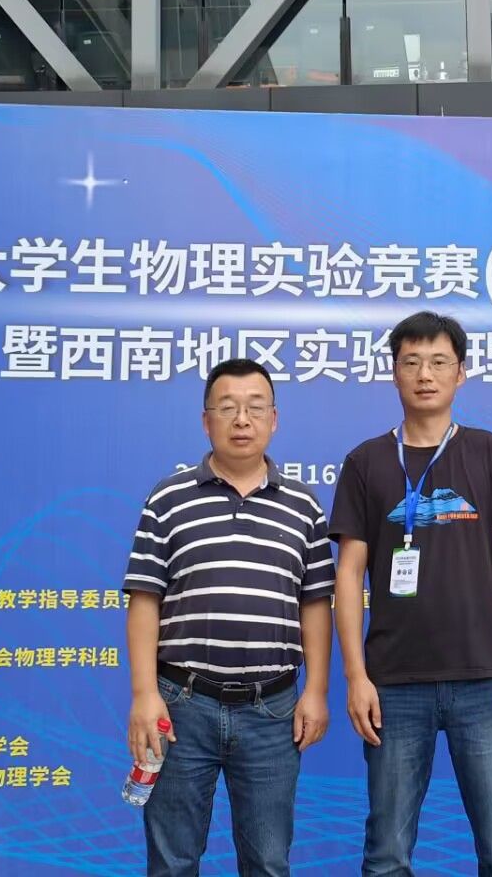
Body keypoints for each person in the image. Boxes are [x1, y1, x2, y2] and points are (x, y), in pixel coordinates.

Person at [331, 311, 492, 877]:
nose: (425, 374)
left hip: (483, 680)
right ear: (394, 372)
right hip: (393, 685)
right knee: (386, 857)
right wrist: (355, 676)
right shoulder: (366, 461)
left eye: (439, 362)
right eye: (412, 362)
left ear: (460, 373)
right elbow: (348, 575)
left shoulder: (489, 453)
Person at [122, 358, 335, 877]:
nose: (242, 420)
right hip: (181, 706)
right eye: (228, 408)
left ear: (274, 419)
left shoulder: (304, 507)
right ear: (206, 421)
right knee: (173, 862)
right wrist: (144, 694)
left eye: (255, 408)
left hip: (273, 710)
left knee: (267, 862)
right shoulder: (168, 499)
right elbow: (145, 598)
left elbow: (315, 605)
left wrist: (315, 691)